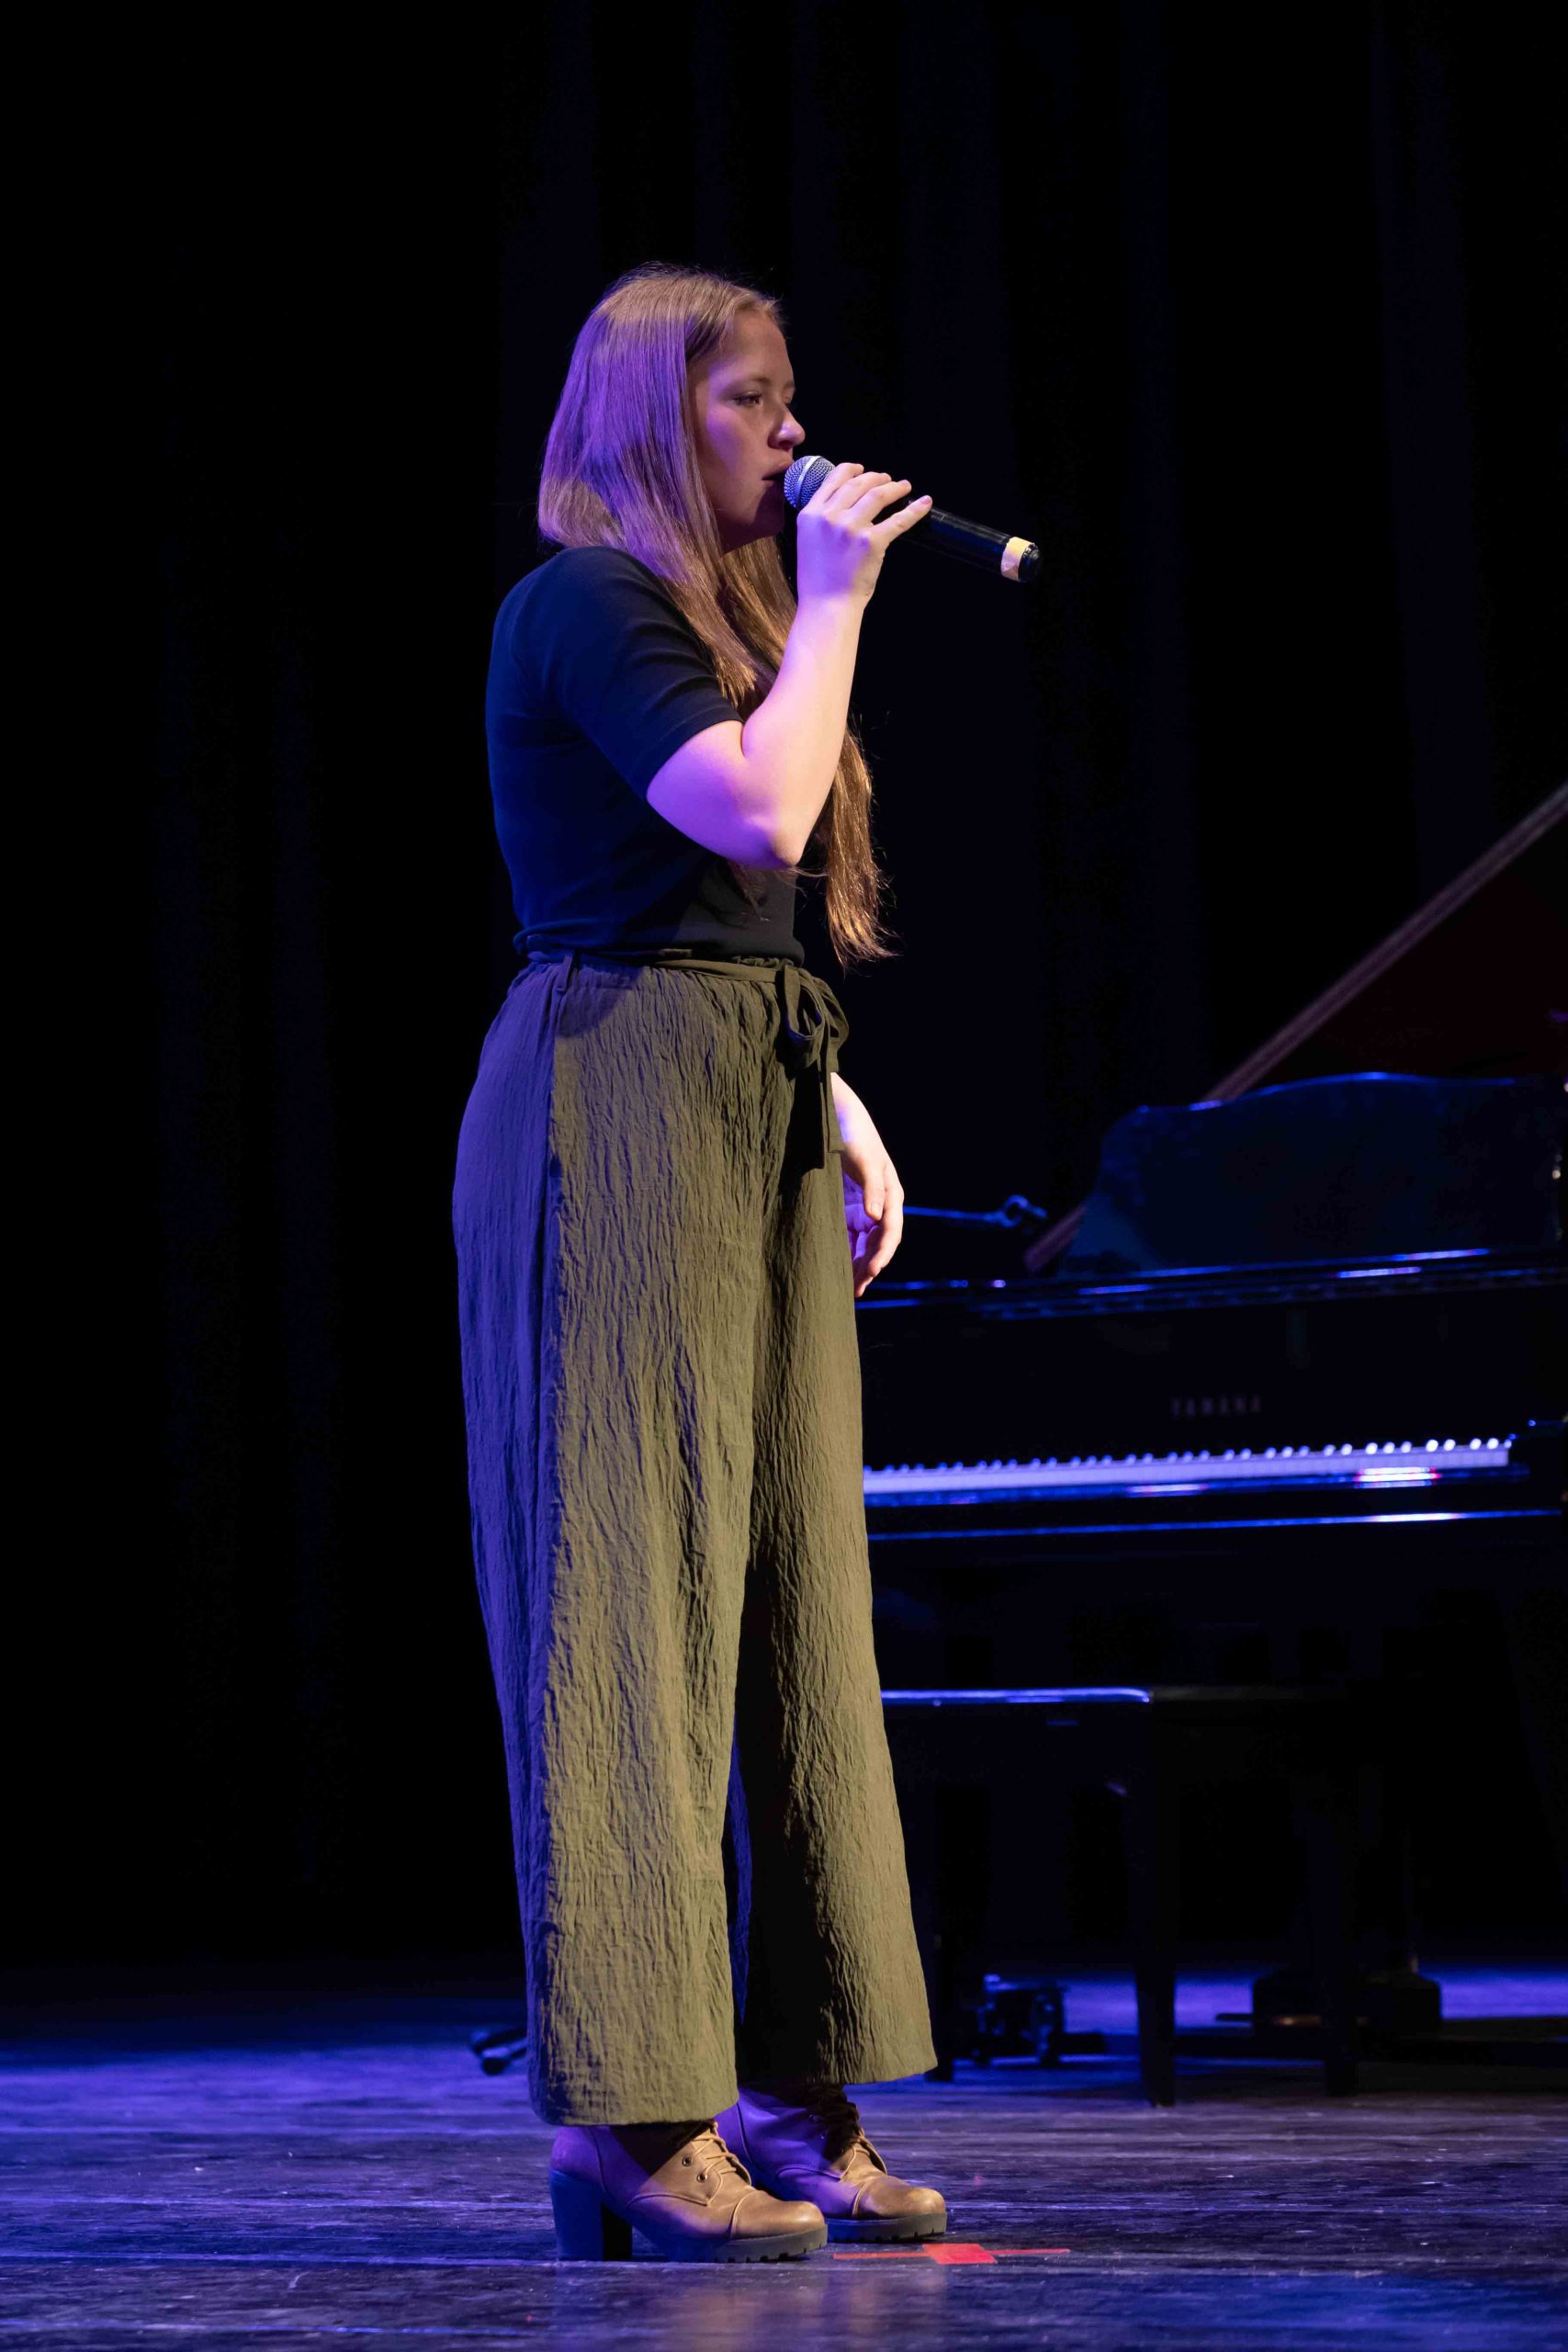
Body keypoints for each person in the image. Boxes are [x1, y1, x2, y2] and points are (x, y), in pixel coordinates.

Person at [452, 262, 944, 2265]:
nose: (791, 432)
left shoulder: (698, 615)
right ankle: (633, 2113)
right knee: (628, 1604)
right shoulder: (584, 601)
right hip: (613, 1108)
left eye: (788, 395)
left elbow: (733, 903)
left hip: (744, 1083)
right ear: (658, 419)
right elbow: (744, 807)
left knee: (793, 1598)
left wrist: (832, 1094)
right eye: (752, 399)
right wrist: (834, 603)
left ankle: (788, 2085)